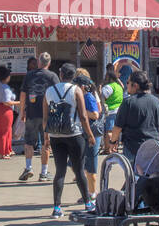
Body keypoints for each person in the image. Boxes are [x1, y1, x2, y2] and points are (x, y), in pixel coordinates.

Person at [42, 63, 96, 217]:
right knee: (79, 170)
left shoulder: (49, 91)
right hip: (75, 134)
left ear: (60, 74)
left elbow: (45, 117)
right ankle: (87, 203)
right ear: (73, 77)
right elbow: (84, 116)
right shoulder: (76, 90)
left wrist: (46, 137)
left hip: (55, 136)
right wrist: (90, 135)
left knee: (60, 171)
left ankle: (57, 208)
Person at [108, 70, 159, 164]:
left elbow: (118, 127)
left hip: (133, 148)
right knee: (150, 176)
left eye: (128, 82)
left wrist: (113, 142)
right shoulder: (156, 101)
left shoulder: (128, 102)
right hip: (153, 147)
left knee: (134, 175)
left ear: (136, 85)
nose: (126, 85)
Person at [17, 54, 56, 181]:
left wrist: (22, 111)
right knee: (46, 142)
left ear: (39, 62)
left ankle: (28, 168)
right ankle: (44, 173)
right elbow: (57, 94)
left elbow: (22, 95)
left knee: (29, 142)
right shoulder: (52, 76)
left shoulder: (29, 75)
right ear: (48, 63)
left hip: (32, 114)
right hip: (47, 115)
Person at [74, 68, 102, 200]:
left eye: (77, 85)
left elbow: (96, 114)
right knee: (82, 166)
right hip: (83, 133)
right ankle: (89, 192)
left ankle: (92, 193)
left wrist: (82, 109)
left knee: (91, 166)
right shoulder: (80, 96)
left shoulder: (88, 96)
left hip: (92, 133)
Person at [0, 67, 19, 159]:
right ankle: (1, 153)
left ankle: (7, 150)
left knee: (7, 130)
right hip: (5, 110)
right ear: (7, 77)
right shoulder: (6, 88)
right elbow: (7, 102)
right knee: (5, 132)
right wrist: (19, 102)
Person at [99, 69, 124, 150]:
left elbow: (102, 97)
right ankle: (114, 148)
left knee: (109, 131)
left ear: (110, 78)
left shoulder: (109, 87)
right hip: (119, 111)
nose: (105, 79)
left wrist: (99, 90)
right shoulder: (119, 87)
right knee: (116, 131)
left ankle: (108, 149)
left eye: (106, 77)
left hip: (110, 112)